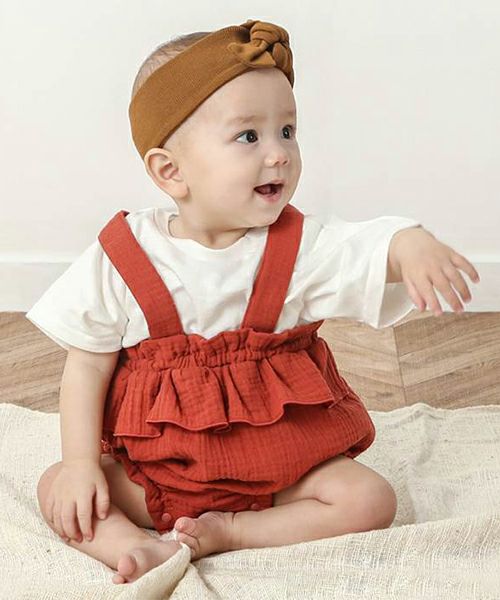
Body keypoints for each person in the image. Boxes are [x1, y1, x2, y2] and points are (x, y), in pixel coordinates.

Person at [28, 19, 480, 586]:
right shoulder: (121, 257)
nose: (279, 154)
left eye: (287, 131)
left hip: (280, 471)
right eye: (249, 136)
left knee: (370, 499)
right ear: (170, 170)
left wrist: (409, 244)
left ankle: (232, 531)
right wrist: (79, 465)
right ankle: (135, 548)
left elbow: (364, 247)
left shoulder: (298, 248)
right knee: (58, 487)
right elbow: (87, 366)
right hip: (157, 474)